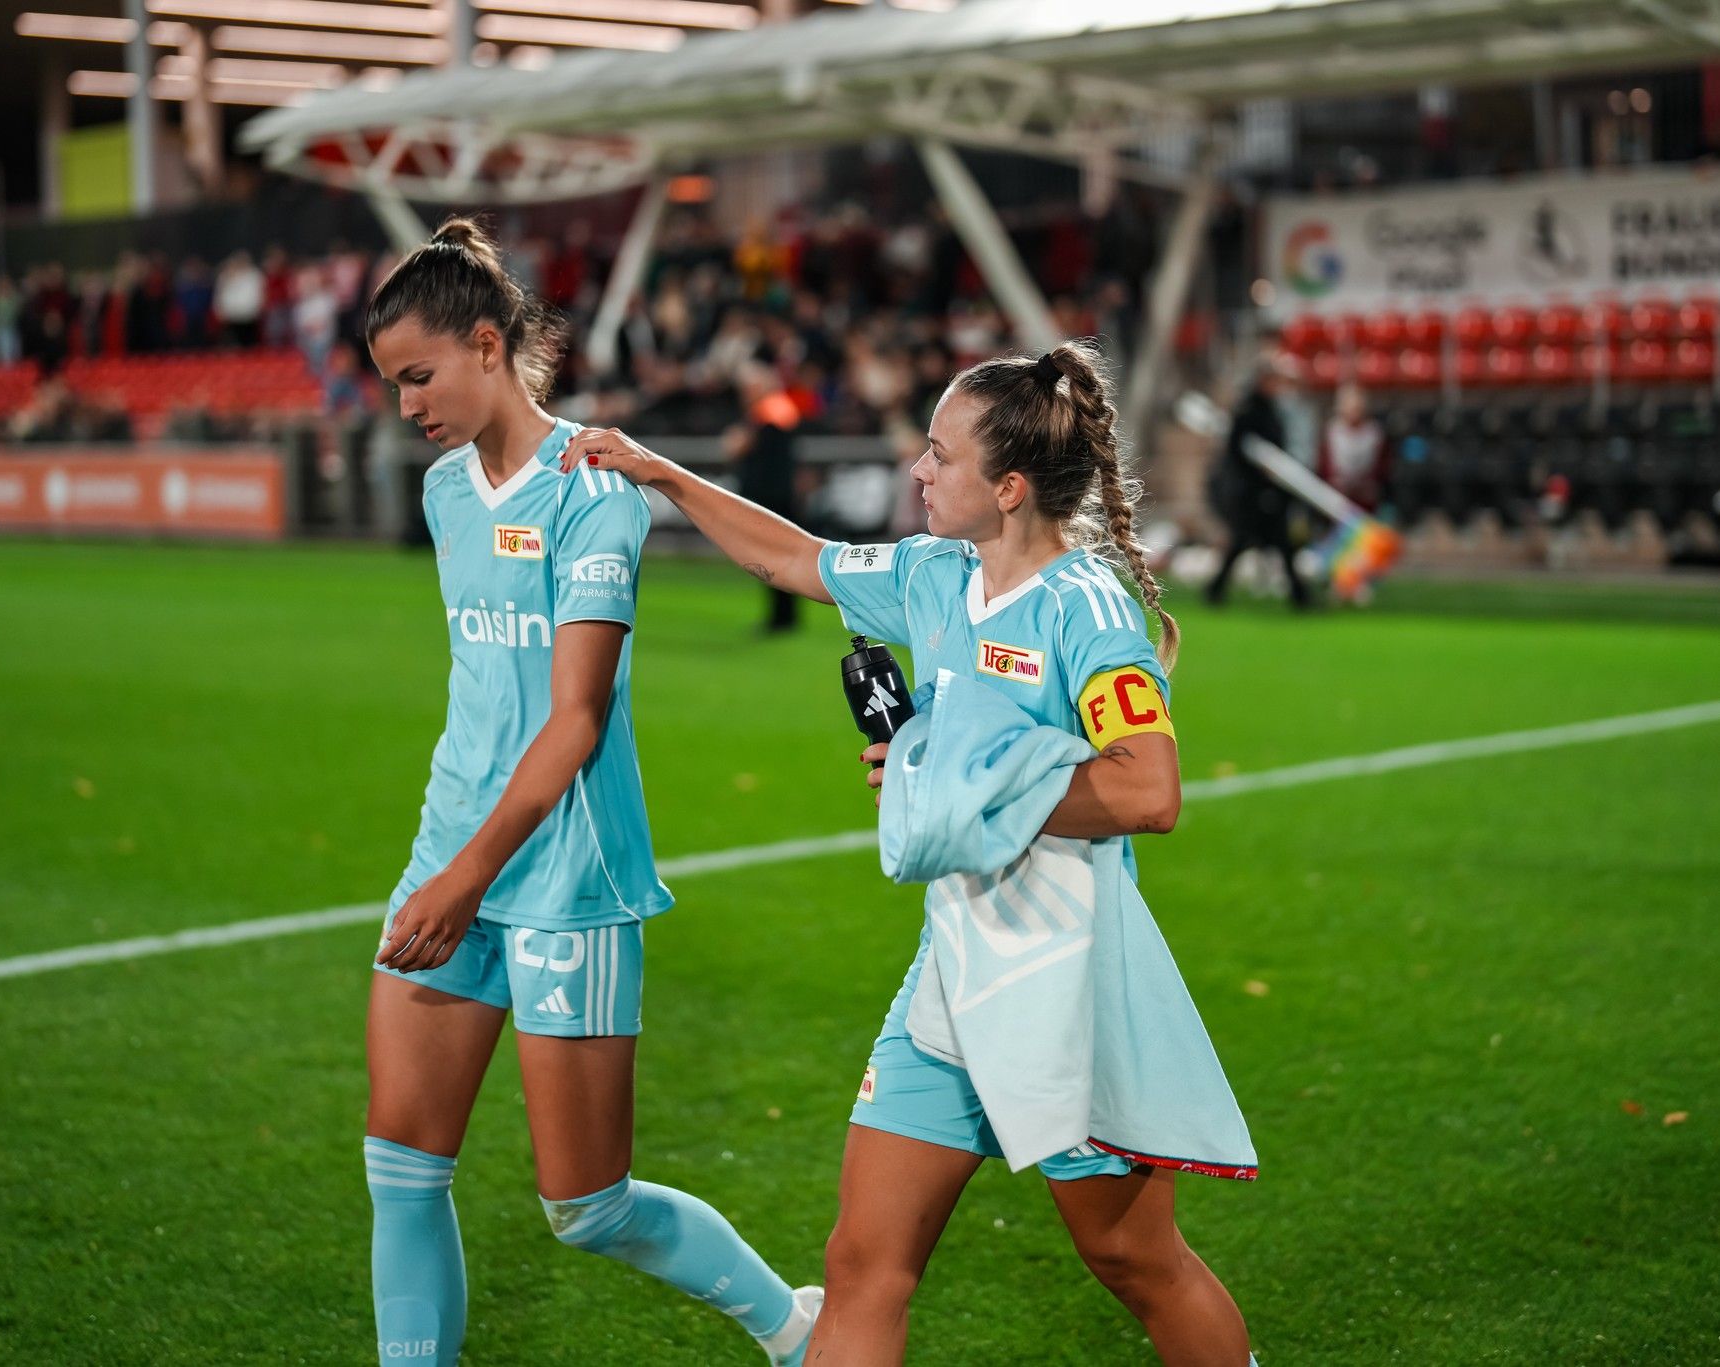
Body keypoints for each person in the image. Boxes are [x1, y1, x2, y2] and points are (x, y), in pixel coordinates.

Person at [560, 341, 1257, 1367]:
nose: (917, 472)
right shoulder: (935, 574)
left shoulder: (1085, 607)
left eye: (940, 455)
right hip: (950, 976)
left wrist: (962, 788)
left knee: (1132, 1260)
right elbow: (793, 559)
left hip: (1063, 987)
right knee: (861, 1261)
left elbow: (1148, 790)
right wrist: (659, 472)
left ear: (1010, 487)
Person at [359, 217, 821, 1367]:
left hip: (565, 875)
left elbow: (574, 718)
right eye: (392, 385)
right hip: (450, 850)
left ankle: (796, 1327)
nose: (408, 404)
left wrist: (470, 878)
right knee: (401, 1168)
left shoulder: (594, 489)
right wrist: (447, 862)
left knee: (587, 1205)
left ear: (484, 344)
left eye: (420, 376)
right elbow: (484, 689)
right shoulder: (443, 493)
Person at [1206, 355, 1311, 608]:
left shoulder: (1273, 411)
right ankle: (1216, 590)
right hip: (1250, 492)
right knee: (1246, 542)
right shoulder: (1248, 411)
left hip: (1269, 490)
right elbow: (1237, 451)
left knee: (1280, 545)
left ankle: (1299, 595)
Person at [722, 361, 802, 631]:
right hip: (770, 496)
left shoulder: (772, 410)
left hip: (774, 498)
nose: (745, 393)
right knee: (773, 558)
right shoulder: (768, 411)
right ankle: (782, 616)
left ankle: (783, 618)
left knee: (776, 558)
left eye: (749, 387)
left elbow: (737, 445)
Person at [1318, 383, 1388, 514]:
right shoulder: (1332, 431)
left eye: (1357, 407)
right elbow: (1324, 466)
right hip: (1338, 496)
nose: (1354, 411)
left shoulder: (1374, 432)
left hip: (1366, 497)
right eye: (1350, 407)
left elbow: (1382, 466)